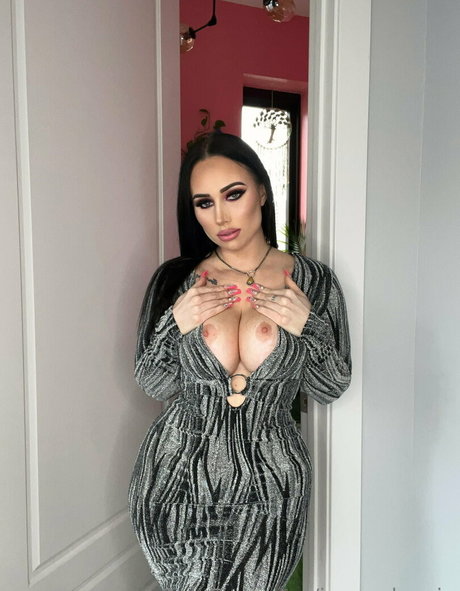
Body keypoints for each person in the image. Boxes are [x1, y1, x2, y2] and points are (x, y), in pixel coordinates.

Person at [128, 131, 351, 591]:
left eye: (234, 194)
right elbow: (153, 383)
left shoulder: (315, 281)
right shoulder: (175, 280)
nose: (221, 217)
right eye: (204, 203)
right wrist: (175, 322)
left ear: (262, 192)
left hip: (272, 484)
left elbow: (330, 387)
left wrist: (309, 326)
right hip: (177, 479)